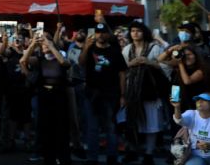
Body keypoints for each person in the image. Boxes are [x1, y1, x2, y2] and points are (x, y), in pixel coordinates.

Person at [20, 32, 71, 165]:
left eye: (47, 41)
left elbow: (64, 63)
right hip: (44, 96)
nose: (45, 44)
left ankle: (63, 157)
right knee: (45, 128)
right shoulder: (39, 58)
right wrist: (32, 45)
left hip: (59, 95)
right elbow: (23, 61)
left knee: (60, 128)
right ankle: (49, 157)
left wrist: (50, 45)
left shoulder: (61, 54)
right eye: (43, 43)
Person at [80, 23, 127, 165]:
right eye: (98, 32)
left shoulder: (115, 51)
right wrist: (86, 47)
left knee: (111, 128)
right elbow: (80, 63)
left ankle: (111, 157)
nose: (100, 35)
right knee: (92, 128)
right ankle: (92, 158)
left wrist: (122, 95)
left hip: (110, 94)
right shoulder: (89, 49)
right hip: (91, 94)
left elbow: (122, 74)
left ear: (108, 35)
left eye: (103, 32)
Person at [121, 21, 166, 165]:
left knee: (152, 123)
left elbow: (166, 66)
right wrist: (131, 63)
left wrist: (149, 62)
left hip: (150, 91)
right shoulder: (127, 49)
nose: (135, 33)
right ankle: (132, 151)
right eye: (133, 30)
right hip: (131, 92)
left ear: (144, 32)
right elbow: (121, 69)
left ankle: (149, 153)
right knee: (132, 122)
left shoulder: (155, 48)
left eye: (138, 30)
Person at [172, 92, 210, 165]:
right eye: (197, 100)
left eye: (204, 100)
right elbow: (179, 120)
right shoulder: (192, 113)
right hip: (195, 156)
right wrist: (177, 107)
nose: (199, 101)